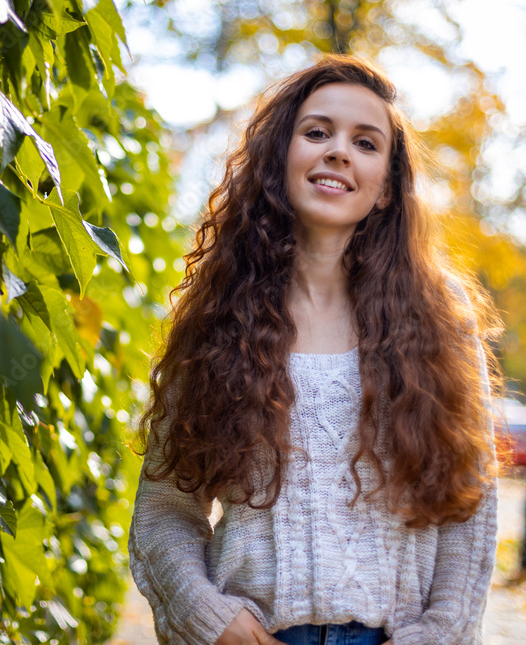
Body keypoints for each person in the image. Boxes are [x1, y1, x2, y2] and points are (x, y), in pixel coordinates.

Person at [127, 53, 505, 645]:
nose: (338, 152)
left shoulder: (442, 326)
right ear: (281, 159)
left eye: (366, 142)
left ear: (385, 189)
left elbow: (470, 514)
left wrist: (438, 634)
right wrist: (212, 620)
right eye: (317, 132)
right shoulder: (216, 323)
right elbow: (164, 515)